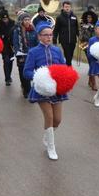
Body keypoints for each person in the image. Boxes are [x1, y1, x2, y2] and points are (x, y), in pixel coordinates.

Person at [23, 22, 68, 160]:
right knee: (49, 117)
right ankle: (51, 147)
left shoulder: (57, 50)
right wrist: (39, 77)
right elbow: (26, 72)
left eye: (50, 35)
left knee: (58, 120)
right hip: (41, 89)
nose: (49, 37)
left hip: (56, 89)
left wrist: (63, 76)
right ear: (39, 36)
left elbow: (63, 67)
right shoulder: (33, 52)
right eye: (45, 35)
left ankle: (47, 136)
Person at [12, 12, 38, 98]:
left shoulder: (34, 30)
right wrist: (18, 55)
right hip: (22, 55)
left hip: (32, 55)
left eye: (28, 20)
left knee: (31, 73)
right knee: (23, 73)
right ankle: (27, 90)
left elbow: (37, 43)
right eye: (25, 20)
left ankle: (27, 88)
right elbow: (16, 44)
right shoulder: (17, 31)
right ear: (21, 21)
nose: (27, 21)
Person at [52, 1, 79, 66]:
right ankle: (69, 68)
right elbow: (56, 30)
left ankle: (67, 66)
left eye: (68, 7)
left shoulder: (74, 17)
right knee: (67, 55)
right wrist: (54, 39)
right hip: (64, 40)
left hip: (73, 40)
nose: (67, 8)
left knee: (71, 55)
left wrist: (79, 36)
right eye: (66, 7)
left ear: (70, 7)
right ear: (63, 7)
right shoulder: (59, 17)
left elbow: (76, 28)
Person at [80, 7, 98, 90]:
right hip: (86, 46)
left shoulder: (96, 26)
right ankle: (93, 83)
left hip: (95, 47)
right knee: (92, 63)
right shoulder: (83, 26)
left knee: (92, 64)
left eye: (90, 17)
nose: (89, 19)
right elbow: (81, 37)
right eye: (87, 17)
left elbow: (97, 36)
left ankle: (90, 80)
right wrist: (84, 29)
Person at [0, 10, 15, 86]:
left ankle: (9, 76)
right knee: (6, 61)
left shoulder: (13, 22)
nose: (5, 20)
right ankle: (7, 78)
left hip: (12, 44)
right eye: (3, 19)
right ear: (1, 19)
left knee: (11, 61)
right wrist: (1, 36)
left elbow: (15, 32)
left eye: (6, 19)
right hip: (3, 44)